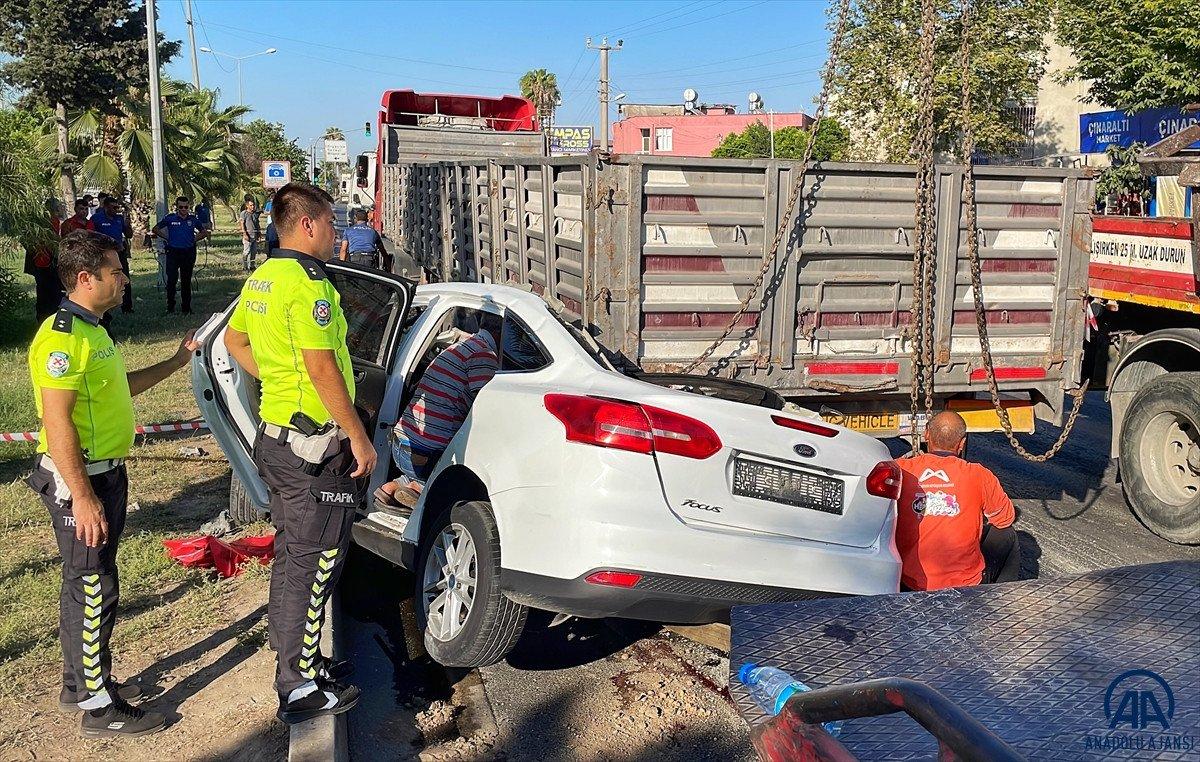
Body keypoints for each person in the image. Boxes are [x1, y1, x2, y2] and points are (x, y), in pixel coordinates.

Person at [26, 230, 198, 736]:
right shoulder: (61, 338)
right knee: (94, 584)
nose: (124, 279)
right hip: (82, 482)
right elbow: (57, 423)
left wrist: (175, 362)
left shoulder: (93, 329)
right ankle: (100, 709)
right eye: (116, 271)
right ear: (86, 279)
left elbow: (120, 388)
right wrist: (81, 496)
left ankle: (78, 684)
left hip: (105, 474)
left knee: (87, 581)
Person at [223, 182, 362, 725]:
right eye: (331, 222)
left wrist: (279, 377)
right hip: (314, 448)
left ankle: (300, 664)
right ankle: (297, 686)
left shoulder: (262, 278)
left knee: (294, 557)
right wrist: (358, 435)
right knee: (318, 558)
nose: (335, 233)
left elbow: (236, 343)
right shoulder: (310, 287)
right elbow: (324, 368)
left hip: (277, 437)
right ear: (307, 224)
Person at [376, 314, 500, 506]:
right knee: (465, 493)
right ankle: (419, 489)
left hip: (401, 445)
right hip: (424, 456)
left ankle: (395, 487)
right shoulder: (483, 355)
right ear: (501, 333)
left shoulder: (460, 347)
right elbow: (487, 408)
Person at [895, 411, 1020, 591]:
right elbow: (1005, 518)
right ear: (962, 444)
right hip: (965, 586)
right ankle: (1002, 599)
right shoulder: (978, 474)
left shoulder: (902, 469)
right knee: (1007, 534)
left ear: (926, 435)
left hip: (909, 583)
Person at [153, 196, 210, 314]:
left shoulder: (193, 219)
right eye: (181, 207)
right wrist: (168, 238)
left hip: (188, 252)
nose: (184, 209)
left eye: (186, 207)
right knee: (172, 280)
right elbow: (156, 229)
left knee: (186, 281)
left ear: (189, 207)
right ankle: (170, 307)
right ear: (177, 207)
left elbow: (204, 232)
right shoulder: (170, 218)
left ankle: (186, 308)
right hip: (173, 252)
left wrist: (193, 239)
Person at [89, 196, 134, 314]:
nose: (116, 209)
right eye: (113, 207)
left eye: (117, 207)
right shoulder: (96, 218)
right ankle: (105, 305)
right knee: (105, 279)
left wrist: (128, 224)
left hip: (119, 253)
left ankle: (127, 307)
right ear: (106, 206)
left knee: (125, 278)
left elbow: (129, 235)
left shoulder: (119, 219)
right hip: (103, 254)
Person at [24, 200, 65, 322]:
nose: (59, 210)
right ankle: (46, 317)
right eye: (58, 208)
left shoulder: (52, 221)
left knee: (48, 291)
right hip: (43, 261)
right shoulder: (47, 221)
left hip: (48, 261)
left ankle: (47, 316)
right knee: (47, 291)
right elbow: (53, 241)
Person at [239, 196, 262, 271]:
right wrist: (244, 234)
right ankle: (245, 266)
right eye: (251, 205)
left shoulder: (255, 214)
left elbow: (257, 224)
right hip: (248, 236)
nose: (252, 207)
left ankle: (252, 266)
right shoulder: (244, 213)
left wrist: (259, 233)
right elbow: (242, 224)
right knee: (246, 251)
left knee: (254, 252)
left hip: (254, 236)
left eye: (253, 205)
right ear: (247, 205)